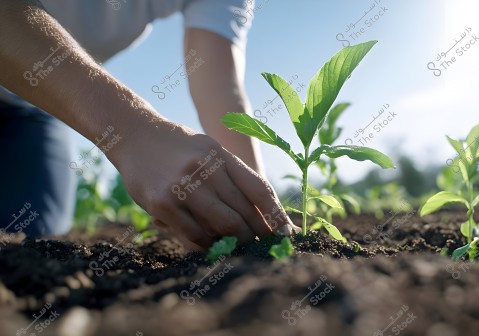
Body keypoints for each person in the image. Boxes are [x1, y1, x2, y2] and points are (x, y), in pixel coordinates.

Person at [0, 0, 296, 251]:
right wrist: (133, 131)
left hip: (30, 106)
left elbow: (221, 90)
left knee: (31, 238)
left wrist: (257, 212)